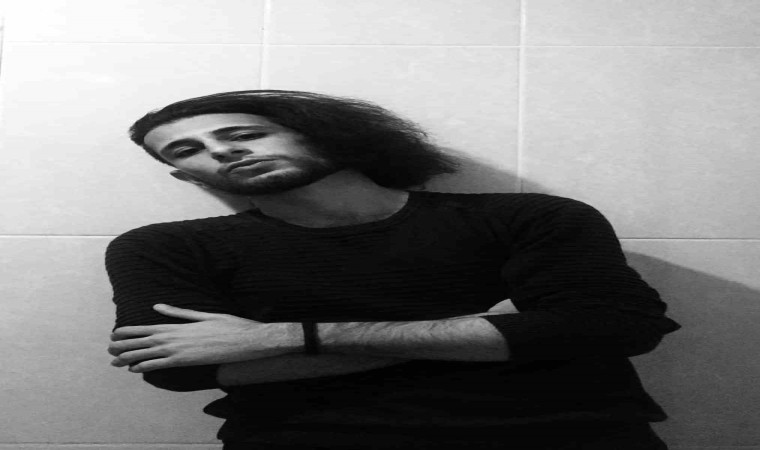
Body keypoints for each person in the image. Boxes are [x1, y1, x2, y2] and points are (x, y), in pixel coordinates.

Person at [105, 90, 680, 450]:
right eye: (186, 151)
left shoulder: (529, 217)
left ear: (325, 135)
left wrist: (283, 338)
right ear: (186, 177)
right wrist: (492, 326)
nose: (220, 151)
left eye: (244, 134)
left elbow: (612, 327)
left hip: (569, 435)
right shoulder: (164, 248)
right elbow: (180, 370)